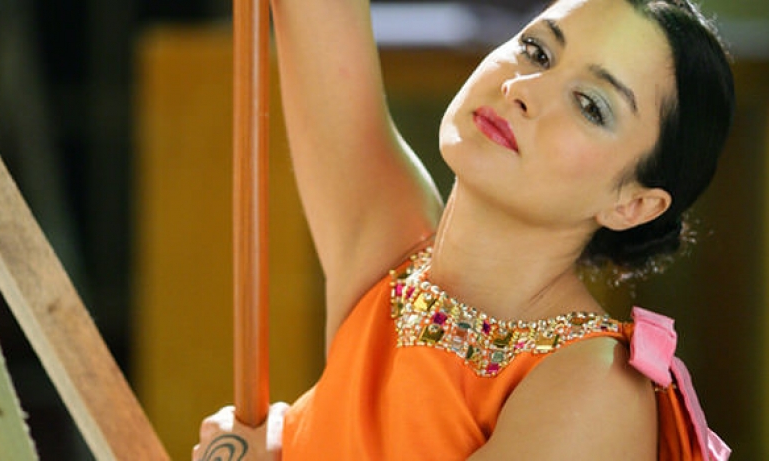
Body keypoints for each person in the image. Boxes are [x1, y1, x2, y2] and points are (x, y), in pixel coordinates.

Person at [193, 0, 735, 459]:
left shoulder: (593, 386)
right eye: (537, 51)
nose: (522, 88)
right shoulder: (390, 251)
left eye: (590, 105)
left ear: (633, 204)